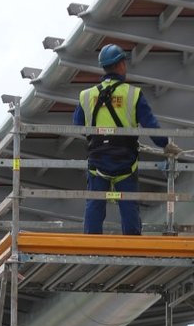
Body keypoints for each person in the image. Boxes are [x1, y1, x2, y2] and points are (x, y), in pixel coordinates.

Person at [73, 43, 179, 234]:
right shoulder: (133, 94)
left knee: (95, 203)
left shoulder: (86, 95)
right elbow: (150, 125)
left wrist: (99, 136)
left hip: (97, 157)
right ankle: (132, 243)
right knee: (128, 203)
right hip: (125, 159)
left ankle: (90, 243)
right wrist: (166, 145)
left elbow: (78, 124)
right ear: (121, 65)